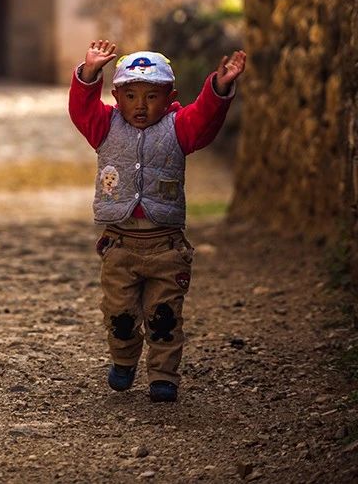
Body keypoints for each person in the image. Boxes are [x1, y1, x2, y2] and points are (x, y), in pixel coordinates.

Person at [68, 40, 246, 402]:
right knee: (120, 315)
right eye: (131, 96)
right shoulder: (104, 126)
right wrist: (89, 73)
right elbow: (81, 109)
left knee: (164, 316)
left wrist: (220, 87)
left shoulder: (179, 128)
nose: (140, 105)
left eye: (152, 97)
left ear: (169, 97)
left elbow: (204, 117)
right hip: (120, 245)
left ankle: (164, 375)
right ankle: (123, 359)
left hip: (166, 247)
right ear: (116, 96)